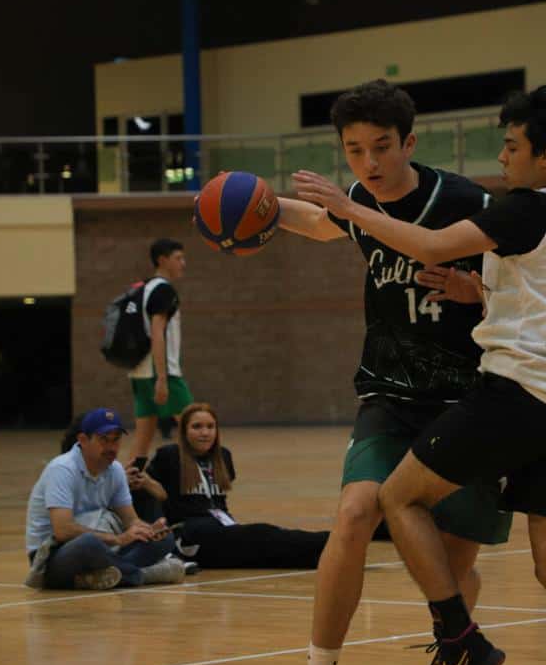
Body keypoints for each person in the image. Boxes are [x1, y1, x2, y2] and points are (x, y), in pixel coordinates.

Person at [296, 85, 546, 665]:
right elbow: (538, 292)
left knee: (396, 497)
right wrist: (476, 290)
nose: (502, 157)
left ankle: (461, 640)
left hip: (518, 391)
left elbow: (430, 244)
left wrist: (348, 208)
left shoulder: (524, 206)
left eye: (512, 146)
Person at [276, 79, 513, 665]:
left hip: (468, 399)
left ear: (409, 142)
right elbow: (325, 223)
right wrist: (261, 207)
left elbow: (527, 288)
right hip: (390, 394)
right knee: (356, 513)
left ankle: (456, 646)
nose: (369, 163)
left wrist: (477, 291)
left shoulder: (468, 201)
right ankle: (320, 664)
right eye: (354, 150)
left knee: (453, 568)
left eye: (381, 147)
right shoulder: (359, 200)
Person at [133, 402, 331, 569]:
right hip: (192, 536)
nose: (205, 433)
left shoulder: (223, 456)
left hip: (224, 528)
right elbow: (151, 492)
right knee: (262, 533)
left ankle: (329, 559)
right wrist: (146, 487)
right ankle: (329, 540)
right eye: (197, 427)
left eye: (210, 427)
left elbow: (220, 503)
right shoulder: (170, 456)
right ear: (184, 431)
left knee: (269, 554)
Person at [24, 407, 186, 590]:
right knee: (89, 543)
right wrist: (117, 539)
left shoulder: (115, 470)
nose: (111, 447)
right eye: (104, 439)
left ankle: (96, 577)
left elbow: (131, 521)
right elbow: (63, 530)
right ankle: (143, 575)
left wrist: (148, 530)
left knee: (164, 539)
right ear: (83, 440)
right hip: (52, 556)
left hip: (103, 547)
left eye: (116, 439)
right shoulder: (62, 469)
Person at [127, 238, 193, 467]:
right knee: (197, 427)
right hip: (161, 371)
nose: (183, 263)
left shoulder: (142, 288)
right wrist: (163, 378)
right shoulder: (164, 290)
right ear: (162, 260)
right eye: (178, 258)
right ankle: (207, 481)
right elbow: (157, 333)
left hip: (139, 371)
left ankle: (125, 484)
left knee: (141, 443)